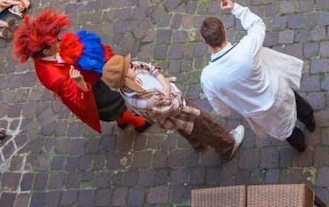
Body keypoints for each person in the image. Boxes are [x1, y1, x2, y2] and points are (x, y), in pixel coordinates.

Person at [199, 0, 313, 152]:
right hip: (277, 92)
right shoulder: (247, 47)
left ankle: (301, 146)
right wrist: (235, 8)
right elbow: (258, 25)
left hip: (259, 113)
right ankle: (310, 122)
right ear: (225, 31)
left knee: (286, 131)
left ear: (205, 42)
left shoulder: (207, 78)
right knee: (297, 104)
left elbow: (222, 110)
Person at [12, 10, 151, 133]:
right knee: (112, 106)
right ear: (46, 51)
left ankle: (122, 121)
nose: (60, 42)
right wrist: (79, 82)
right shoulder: (54, 77)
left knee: (112, 104)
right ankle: (138, 123)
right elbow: (78, 100)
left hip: (90, 80)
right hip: (86, 91)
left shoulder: (48, 55)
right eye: (57, 42)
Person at [102, 52, 245, 160]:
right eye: (128, 68)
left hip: (173, 112)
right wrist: (172, 90)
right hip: (180, 112)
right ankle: (228, 146)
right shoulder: (147, 102)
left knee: (187, 129)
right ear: (125, 79)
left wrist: (165, 84)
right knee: (206, 125)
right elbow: (174, 106)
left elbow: (148, 67)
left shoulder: (131, 74)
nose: (132, 65)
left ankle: (199, 144)